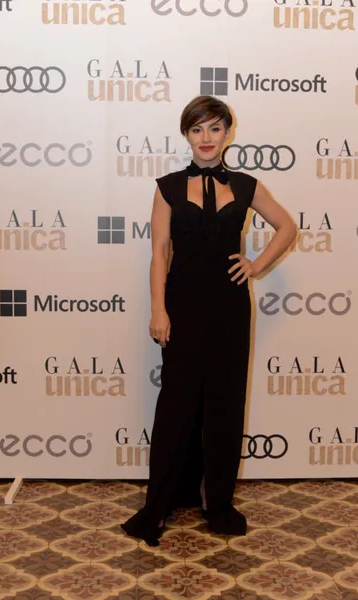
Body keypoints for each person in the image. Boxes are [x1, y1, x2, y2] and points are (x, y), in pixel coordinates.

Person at [121, 95, 297, 547]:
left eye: (215, 128)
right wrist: (158, 309)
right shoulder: (168, 187)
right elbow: (159, 252)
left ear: (227, 134)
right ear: (187, 134)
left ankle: (216, 501)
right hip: (181, 308)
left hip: (229, 309)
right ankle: (160, 503)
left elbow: (287, 227)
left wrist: (256, 265)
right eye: (197, 129)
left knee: (225, 403)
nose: (206, 138)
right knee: (176, 406)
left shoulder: (246, 185)